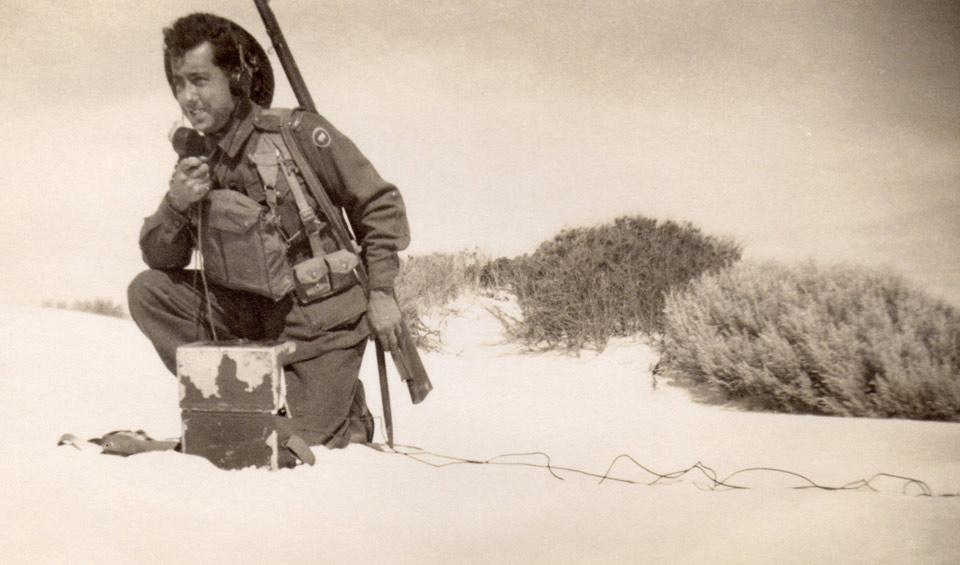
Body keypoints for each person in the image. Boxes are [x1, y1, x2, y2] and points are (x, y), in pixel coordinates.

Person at [128, 12, 410, 448]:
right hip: (247, 315)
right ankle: (242, 392)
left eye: (200, 80)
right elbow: (161, 258)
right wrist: (177, 202)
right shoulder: (200, 158)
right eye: (179, 84)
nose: (188, 97)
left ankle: (348, 413)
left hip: (319, 322)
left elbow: (379, 204)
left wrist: (382, 292)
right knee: (149, 291)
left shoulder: (296, 134)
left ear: (236, 76)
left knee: (299, 445)